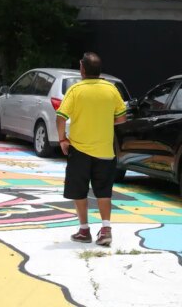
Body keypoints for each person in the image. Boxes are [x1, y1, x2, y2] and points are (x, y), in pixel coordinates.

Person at [56, 52, 127, 246]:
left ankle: (84, 230)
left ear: (82, 69)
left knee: (79, 191)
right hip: (105, 150)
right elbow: (121, 119)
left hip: (79, 150)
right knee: (104, 192)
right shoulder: (111, 90)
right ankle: (106, 230)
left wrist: (62, 139)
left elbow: (61, 116)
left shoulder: (76, 90)